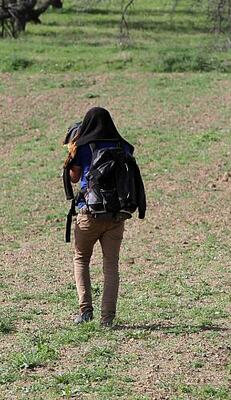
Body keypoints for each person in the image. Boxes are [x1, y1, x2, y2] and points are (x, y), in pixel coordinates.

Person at [62, 107, 145, 327]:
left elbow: (73, 177)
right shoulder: (123, 145)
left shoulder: (81, 147)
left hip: (88, 213)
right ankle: (107, 318)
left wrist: (71, 152)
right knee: (111, 265)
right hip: (117, 214)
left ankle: (85, 309)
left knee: (81, 259)